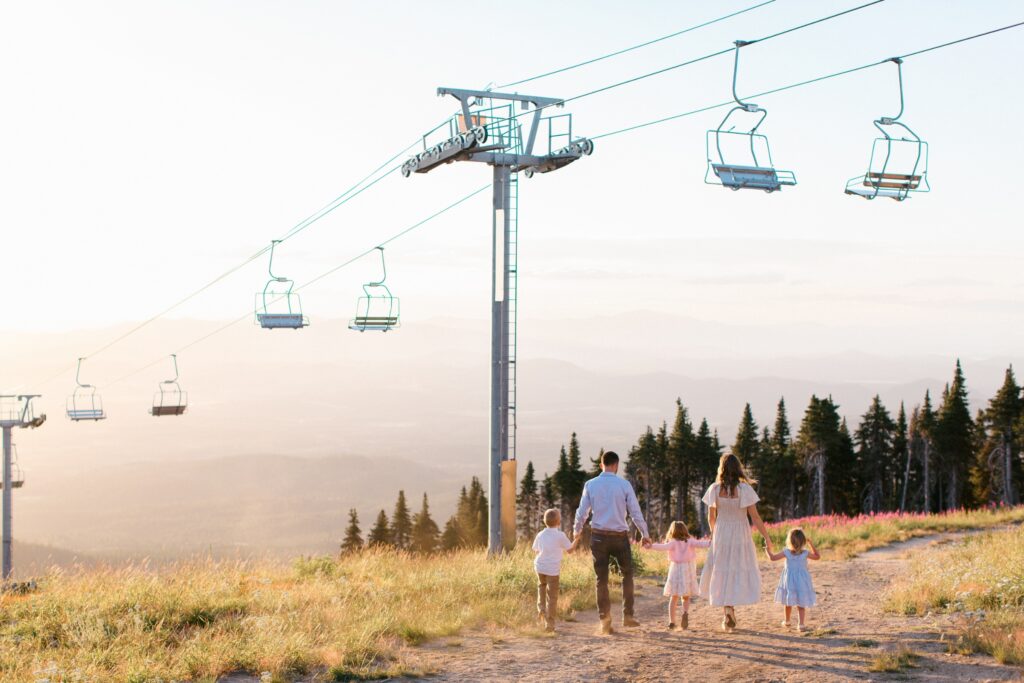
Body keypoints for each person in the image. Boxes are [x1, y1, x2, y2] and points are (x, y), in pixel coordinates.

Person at [571, 450, 652, 635]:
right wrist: (644, 533)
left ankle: (604, 620)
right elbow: (635, 512)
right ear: (616, 465)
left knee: (601, 580)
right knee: (627, 575)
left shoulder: (590, 485)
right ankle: (628, 615)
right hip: (619, 537)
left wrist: (577, 532)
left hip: (598, 537)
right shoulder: (624, 485)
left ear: (602, 465)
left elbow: (581, 512)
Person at [698, 453, 773, 631]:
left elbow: (711, 517)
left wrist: (715, 533)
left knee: (722, 570)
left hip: (722, 532)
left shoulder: (715, 489)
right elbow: (754, 516)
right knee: (735, 569)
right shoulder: (745, 489)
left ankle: (727, 611)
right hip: (740, 533)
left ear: (721, 468)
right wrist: (766, 537)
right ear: (738, 468)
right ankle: (730, 609)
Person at [643, 520, 710, 630]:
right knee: (686, 595)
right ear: (684, 530)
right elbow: (702, 544)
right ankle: (685, 613)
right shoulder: (690, 541)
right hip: (688, 569)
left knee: (673, 597)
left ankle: (672, 621)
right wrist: (712, 542)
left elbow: (662, 547)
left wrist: (650, 546)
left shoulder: (673, 542)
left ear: (672, 531)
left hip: (676, 569)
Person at [765, 527, 820, 632]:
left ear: (789, 541)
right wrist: (811, 544)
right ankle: (801, 624)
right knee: (801, 603)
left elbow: (772, 558)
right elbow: (817, 556)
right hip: (802, 581)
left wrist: (767, 550)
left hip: (789, 580)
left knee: (788, 602)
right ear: (803, 541)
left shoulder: (786, 552)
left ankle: (787, 621)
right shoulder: (805, 553)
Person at [532, 508, 573, 633]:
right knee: (552, 597)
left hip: (539, 566)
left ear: (545, 522)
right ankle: (549, 624)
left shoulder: (540, 534)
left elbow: (535, 549)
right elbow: (570, 550)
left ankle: (541, 611)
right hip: (552, 570)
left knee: (541, 587)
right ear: (559, 521)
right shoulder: (560, 535)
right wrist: (577, 539)